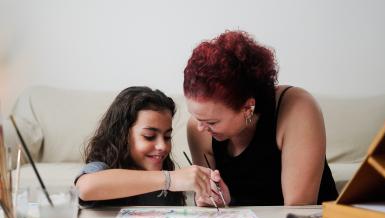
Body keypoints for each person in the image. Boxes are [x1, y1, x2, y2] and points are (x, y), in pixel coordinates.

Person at [183, 30, 338, 206]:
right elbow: (213, 205)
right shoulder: (198, 130)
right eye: (195, 117)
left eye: (211, 122)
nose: (200, 127)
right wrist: (215, 200)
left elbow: (298, 209)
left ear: (248, 107)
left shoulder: (296, 107)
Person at [75, 86, 216, 207]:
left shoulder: (166, 183)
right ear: (122, 136)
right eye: (149, 136)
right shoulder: (102, 169)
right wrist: (170, 179)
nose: (162, 146)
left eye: (167, 137)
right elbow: (85, 188)